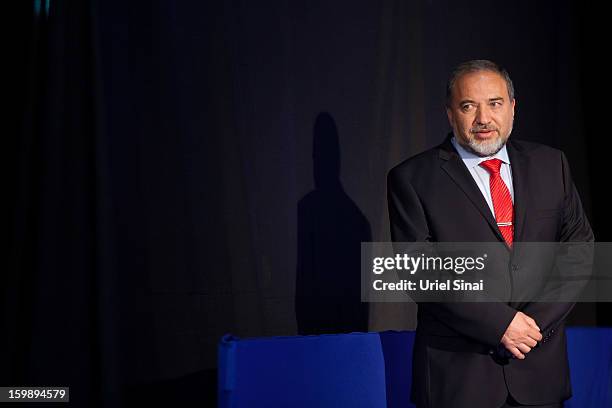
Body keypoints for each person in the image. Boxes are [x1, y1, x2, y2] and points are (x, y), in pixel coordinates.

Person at [387, 59, 594, 408]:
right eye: (469, 106)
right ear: (450, 113)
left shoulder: (551, 164)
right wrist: (500, 323)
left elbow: (579, 250)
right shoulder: (412, 178)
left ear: (513, 108)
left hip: (539, 370)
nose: (483, 118)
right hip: (459, 380)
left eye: (495, 104)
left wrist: (531, 327)